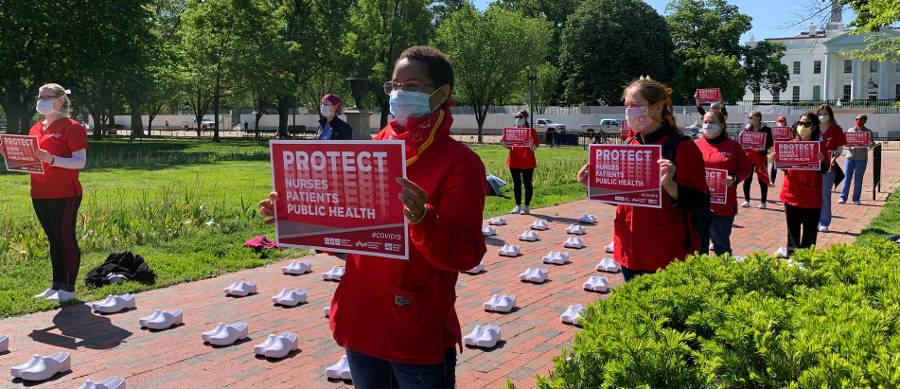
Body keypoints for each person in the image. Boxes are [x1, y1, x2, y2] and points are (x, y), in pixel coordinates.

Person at [260, 46, 485, 388]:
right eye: (394, 85)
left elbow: (467, 254)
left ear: (441, 94)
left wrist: (424, 219)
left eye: (410, 85)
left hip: (415, 328)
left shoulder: (460, 163)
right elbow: (346, 227)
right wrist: (295, 214)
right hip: (361, 321)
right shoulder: (372, 150)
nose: (398, 93)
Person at [577, 77, 708, 281]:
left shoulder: (682, 148)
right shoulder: (629, 144)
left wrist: (670, 185)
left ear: (657, 109)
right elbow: (626, 195)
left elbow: (700, 202)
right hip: (629, 250)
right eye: (627, 106)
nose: (630, 111)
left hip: (666, 253)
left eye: (635, 106)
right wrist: (593, 185)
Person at [0, 84, 88, 302]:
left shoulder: (72, 127)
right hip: (39, 192)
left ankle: (68, 289)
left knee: (65, 238)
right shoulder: (35, 128)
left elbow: (80, 162)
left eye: (47, 97)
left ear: (59, 100)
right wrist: (10, 153)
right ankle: (56, 284)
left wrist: (51, 159)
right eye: (40, 96)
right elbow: (30, 160)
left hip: (65, 193)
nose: (41, 100)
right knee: (53, 239)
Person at [695, 110, 751, 255]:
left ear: (721, 126)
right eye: (705, 122)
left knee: (721, 246)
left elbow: (746, 169)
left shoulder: (733, 146)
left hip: (723, 205)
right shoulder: (695, 145)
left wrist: (734, 179)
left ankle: (725, 276)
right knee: (699, 247)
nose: (708, 125)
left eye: (712, 122)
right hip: (700, 205)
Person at [774, 113, 827, 258]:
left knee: (809, 232)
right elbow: (785, 168)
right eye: (800, 123)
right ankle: (792, 258)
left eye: (807, 124)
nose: (802, 127)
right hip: (791, 194)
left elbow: (824, 169)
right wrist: (777, 160)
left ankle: (806, 259)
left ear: (814, 127)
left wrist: (821, 161)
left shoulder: (820, 146)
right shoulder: (789, 145)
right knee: (793, 231)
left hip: (811, 196)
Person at [816, 104, 846, 232]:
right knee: (813, 195)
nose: (822, 116)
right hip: (812, 167)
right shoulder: (812, 128)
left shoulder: (836, 129)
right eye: (820, 113)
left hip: (829, 167)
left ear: (830, 115)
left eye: (825, 113)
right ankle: (814, 221)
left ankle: (824, 222)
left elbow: (839, 148)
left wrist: (835, 157)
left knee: (825, 194)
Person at [506, 110, 539, 214]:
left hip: (527, 163)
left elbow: (534, 148)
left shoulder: (531, 132)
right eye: (516, 116)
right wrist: (503, 142)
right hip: (514, 162)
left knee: (527, 183)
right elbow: (508, 146)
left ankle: (526, 207)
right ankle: (518, 206)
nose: (518, 118)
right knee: (516, 184)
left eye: (520, 116)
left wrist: (531, 143)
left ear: (525, 118)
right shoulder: (512, 130)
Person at [740, 111, 773, 209]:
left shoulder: (766, 129)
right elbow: (743, 143)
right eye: (749, 117)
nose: (749, 119)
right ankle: (747, 200)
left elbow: (770, 143)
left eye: (751, 117)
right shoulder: (747, 128)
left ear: (758, 118)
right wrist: (741, 137)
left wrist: (761, 148)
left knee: (762, 179)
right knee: (747, 179)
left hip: (760, 157)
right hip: (749, 157)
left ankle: (763, 202)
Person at [839, 114, 873, 205]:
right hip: (849, 157)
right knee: (846, 178)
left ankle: (856, 199)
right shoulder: (850, 130)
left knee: (858, 179)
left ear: (865, 121)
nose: (858, 120)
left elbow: (871, 147)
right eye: (857, 119)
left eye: (861, 119)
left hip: (861, 159)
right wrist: (845, 143)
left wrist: (870, 143)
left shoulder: (868, 132)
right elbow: (845, 143)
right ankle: (843, 198)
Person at [769, 115, 788, 185]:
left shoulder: (788, 130)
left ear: (785, 122)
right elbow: (770, 139)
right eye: (780, 121)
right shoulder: (774, 130)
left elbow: (791, 139)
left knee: (786, 167)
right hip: (776, 151)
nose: (781, 122)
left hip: (785, 151)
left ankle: (787, 180)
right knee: (774, 165)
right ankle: (772, 181)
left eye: (782, 121)